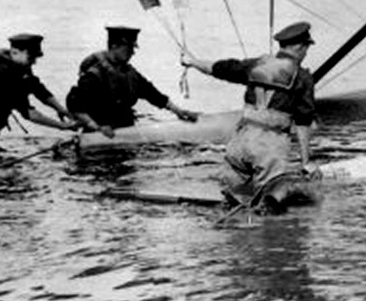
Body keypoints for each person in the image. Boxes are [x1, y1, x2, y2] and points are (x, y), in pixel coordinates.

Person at [181, 21, 317, 212]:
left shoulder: (256, 64)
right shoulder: (302, 77)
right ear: (299, 47)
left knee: (234, 198)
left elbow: (219, 68)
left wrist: (192, 62)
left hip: (240, 141)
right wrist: (306, 162)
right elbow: (303, 122)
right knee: (272, 201)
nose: (306, 53)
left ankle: (234, 233)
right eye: (306, 48)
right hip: (269, 145)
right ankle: (266, 231)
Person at [66, 26, 198, 137]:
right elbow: (74, 105)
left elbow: (152, 94)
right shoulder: (94, 76)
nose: (133, 53)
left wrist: (179, 111)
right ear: (114, 46)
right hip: (100, 134)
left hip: (124, 130)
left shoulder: (129, 73)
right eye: (129, 48)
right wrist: (95, 127)